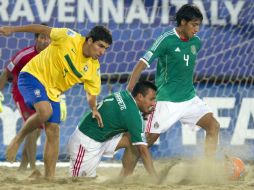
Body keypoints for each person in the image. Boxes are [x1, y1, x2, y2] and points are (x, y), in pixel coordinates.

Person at [0, 24, 112, 178]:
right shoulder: (69, 37)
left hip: (53, 92)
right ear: (90, 40)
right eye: (100, 46)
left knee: (54, 131)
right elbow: (41, 29)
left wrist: (93, 108)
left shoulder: (94, 68)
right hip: (32, 76)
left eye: (106, 48)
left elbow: (91, 93)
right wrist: (12, 30)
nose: (102, 52)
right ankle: (17, 139)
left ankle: (49, 178)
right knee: (45, 112)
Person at [123, 4, 220, 174]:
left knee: (213, 126)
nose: (197, 29)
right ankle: (123, 177)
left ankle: (208, 171)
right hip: (166, 100)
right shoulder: (166, 39)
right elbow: (141, 64)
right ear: (183, 22)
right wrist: (128, 92)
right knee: (145, 141)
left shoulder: (196, 43)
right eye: (194, 24)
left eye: (199, 25)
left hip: (189, 99)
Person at [67, 81, 158, 180]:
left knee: (134, 139)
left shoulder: (125, 94)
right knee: (80, 182)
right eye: (151, 99)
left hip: (102, 138)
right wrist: (156, 179)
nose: (154, 103)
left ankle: (125, 177)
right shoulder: (134, 117)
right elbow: (143, 150)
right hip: (86, 143)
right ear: (140, 96)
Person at [0, 29, 53, 170]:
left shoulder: (52, 56)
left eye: (48, 38)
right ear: (36, 39)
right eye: (42, 37)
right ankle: (33, 168)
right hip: (21, 92)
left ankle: (23, 167)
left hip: (38, 94)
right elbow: (6, 72)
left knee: (36, 131)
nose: (45, 41)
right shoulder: (24, 55)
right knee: (33, 129)